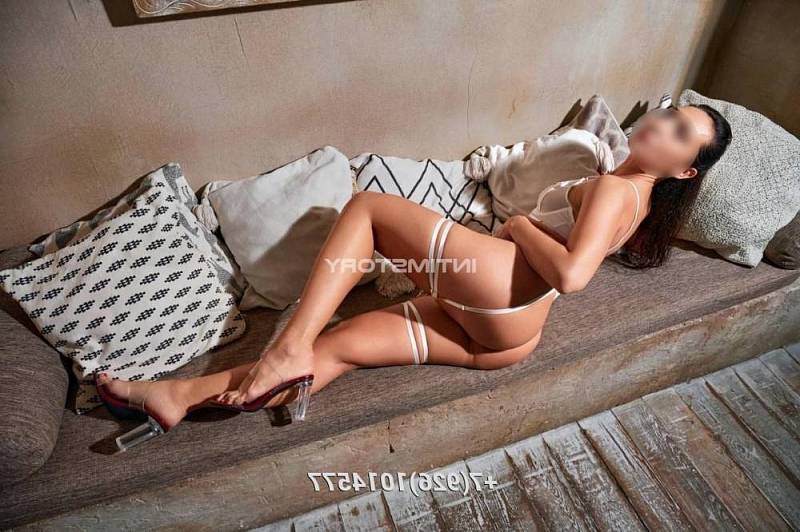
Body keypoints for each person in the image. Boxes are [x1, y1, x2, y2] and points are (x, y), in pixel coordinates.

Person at [96, 103, 732, 439]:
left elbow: (573, 277)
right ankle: (176, 397)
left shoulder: (616, 190)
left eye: (680, 133)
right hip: (511, 336)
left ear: (685, 170)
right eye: (669, 114)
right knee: (338, 347)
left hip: (499, 286)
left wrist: (516, 226)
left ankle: (286, 346)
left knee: (369, 209)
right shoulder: (636, 198)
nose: (661, 125)